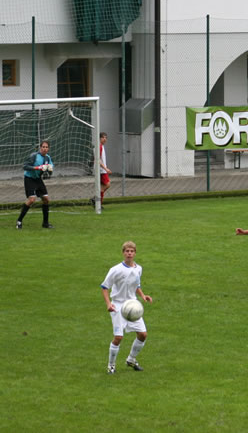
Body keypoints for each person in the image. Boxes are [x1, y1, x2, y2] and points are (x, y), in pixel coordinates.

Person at [101, 241, 153, 374]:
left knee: (143, 334)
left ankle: (131, 359)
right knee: (118, 337)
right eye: (127, 251)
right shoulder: (116, 270)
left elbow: (136, 285)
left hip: (132, 305)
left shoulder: (138, 269)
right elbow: (104, 287)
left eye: (132, 251)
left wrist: (143, 296)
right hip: (118, 305)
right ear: (123, 253)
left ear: (135, 253)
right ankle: (111, 365)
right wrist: (108, 304)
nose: (129, 253)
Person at [16, 140, 55, 229]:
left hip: (38, 179)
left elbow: (50, 172)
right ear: (40, 147)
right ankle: (19, 221)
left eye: (46, 147)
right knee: (32, 200)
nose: (44, 149)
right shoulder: (34, 156)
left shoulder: (48, 158)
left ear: (48, 149)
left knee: (46, 199)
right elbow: (25, 166)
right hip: (29, 178)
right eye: (43, 147)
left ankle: (45, 223)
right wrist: (37, 167)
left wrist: (49, 169)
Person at [91, 132, 112, 209]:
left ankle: (97, 202)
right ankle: (96, 200)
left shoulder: (100, 146)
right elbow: (98, 159)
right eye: (103, 137)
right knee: (107, 185)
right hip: (101, 170)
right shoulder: (99, 146)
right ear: (99, 138)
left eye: (106, 138)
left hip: (101, 169)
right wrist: (105, 168)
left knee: (102, 186)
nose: (105, 139)